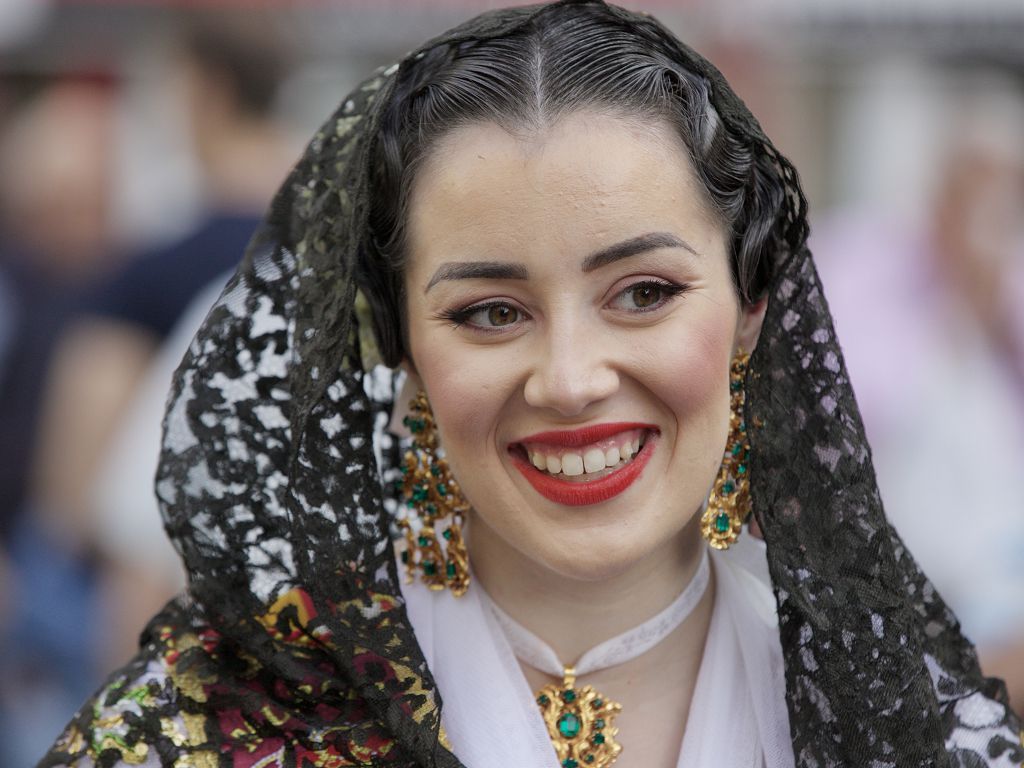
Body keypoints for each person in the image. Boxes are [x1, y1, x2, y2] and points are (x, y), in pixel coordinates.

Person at [39, 2, 1024, 767]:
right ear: (402, 348)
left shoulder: (902, 733)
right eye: (490, 312)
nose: (570, 379)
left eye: (642, 293)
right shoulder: (211, 729)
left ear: (750, 308)